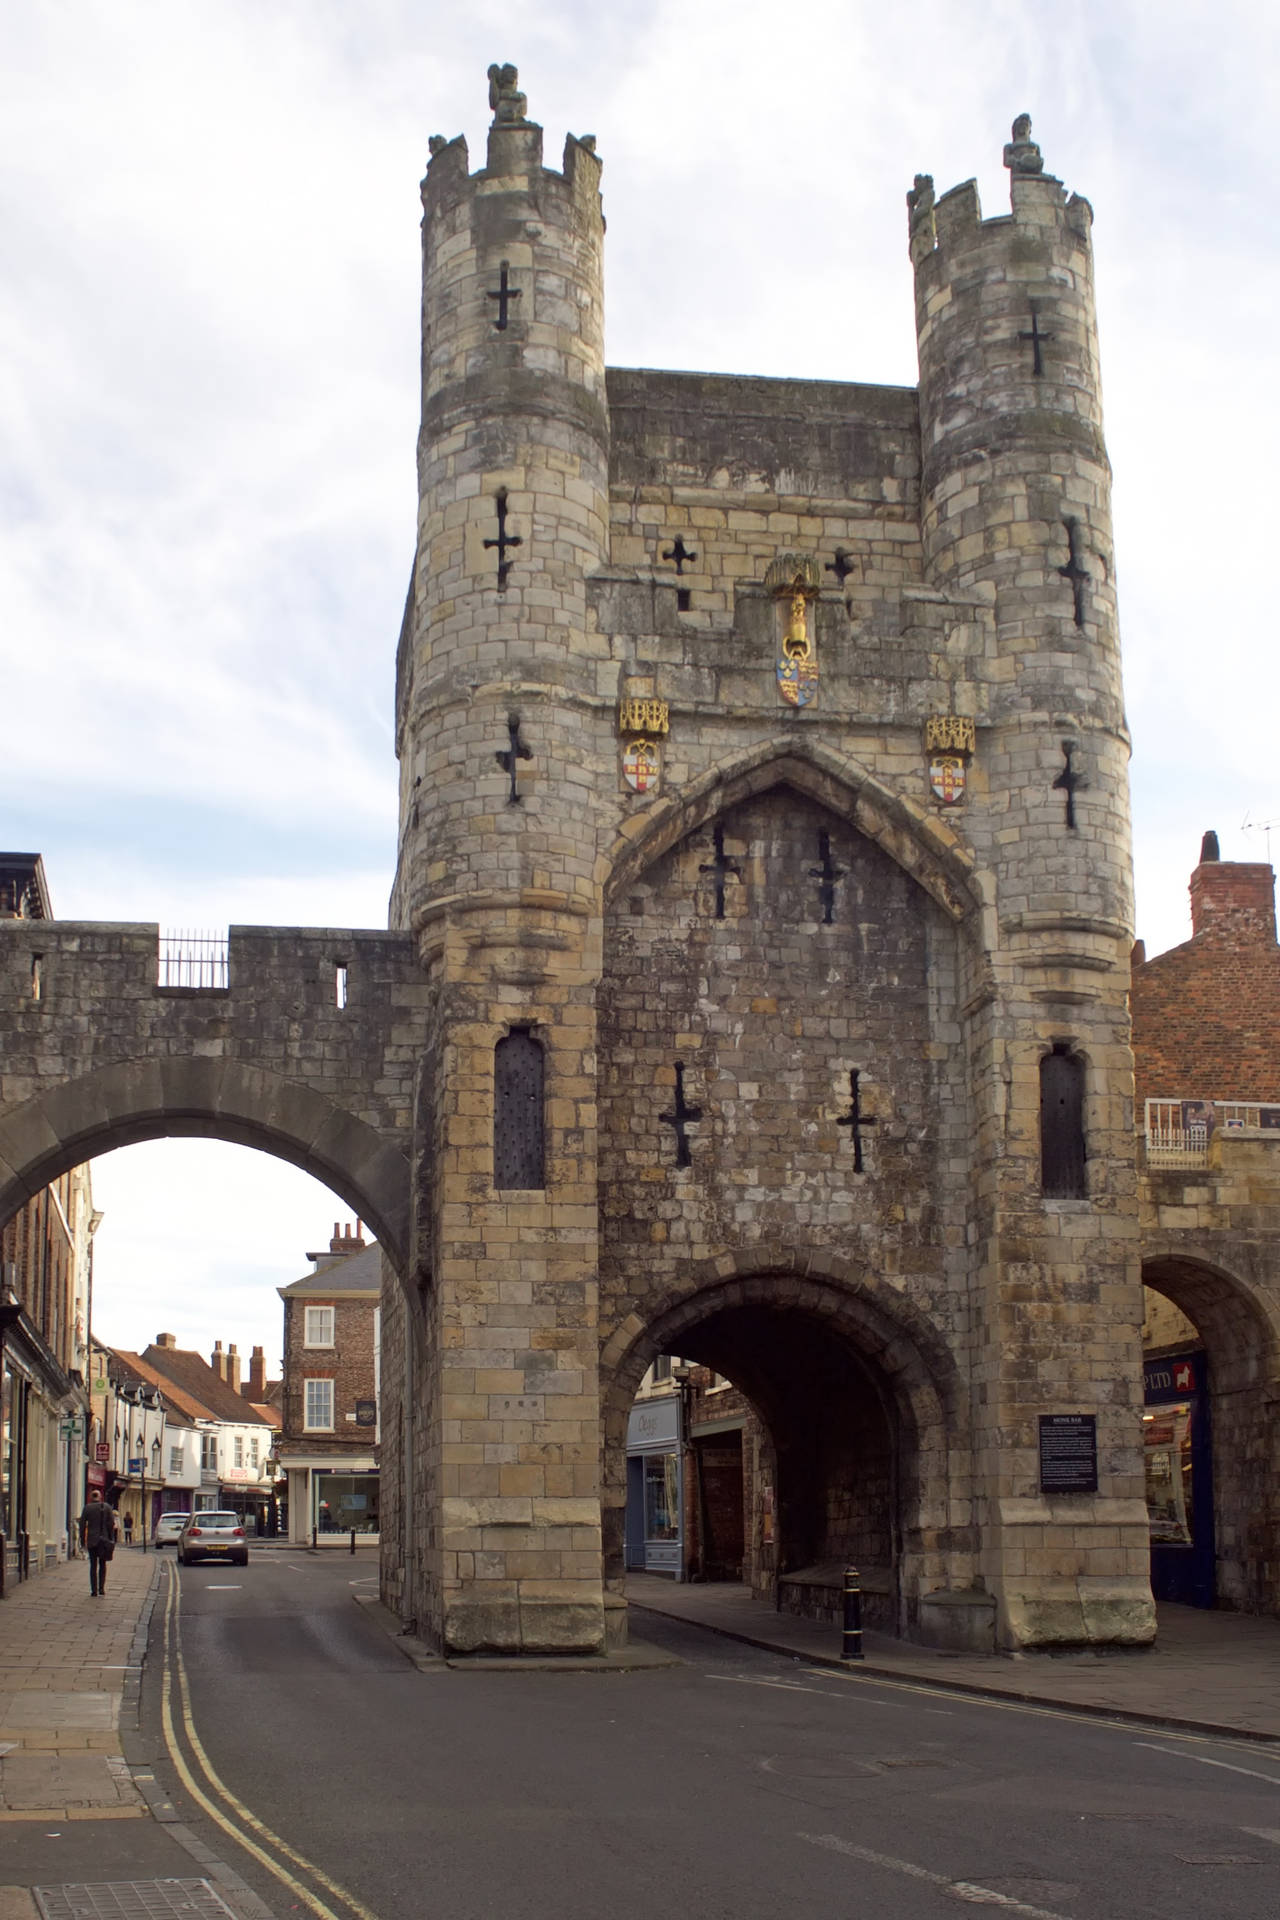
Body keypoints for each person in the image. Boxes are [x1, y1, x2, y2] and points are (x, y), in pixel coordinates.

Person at [78, 1491, 118, 1596]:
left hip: (92, 1540)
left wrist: (82, 1541)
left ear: (91, 1497)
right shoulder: (107, 1507)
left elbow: (82, 1525)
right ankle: (101, 1589)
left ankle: (94, 1591)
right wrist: (111, 1539)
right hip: (104, 1541)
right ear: (100, 1497)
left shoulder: (87, 1508)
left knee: (93, 1566)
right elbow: (111, 1524)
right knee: (102, 1564)